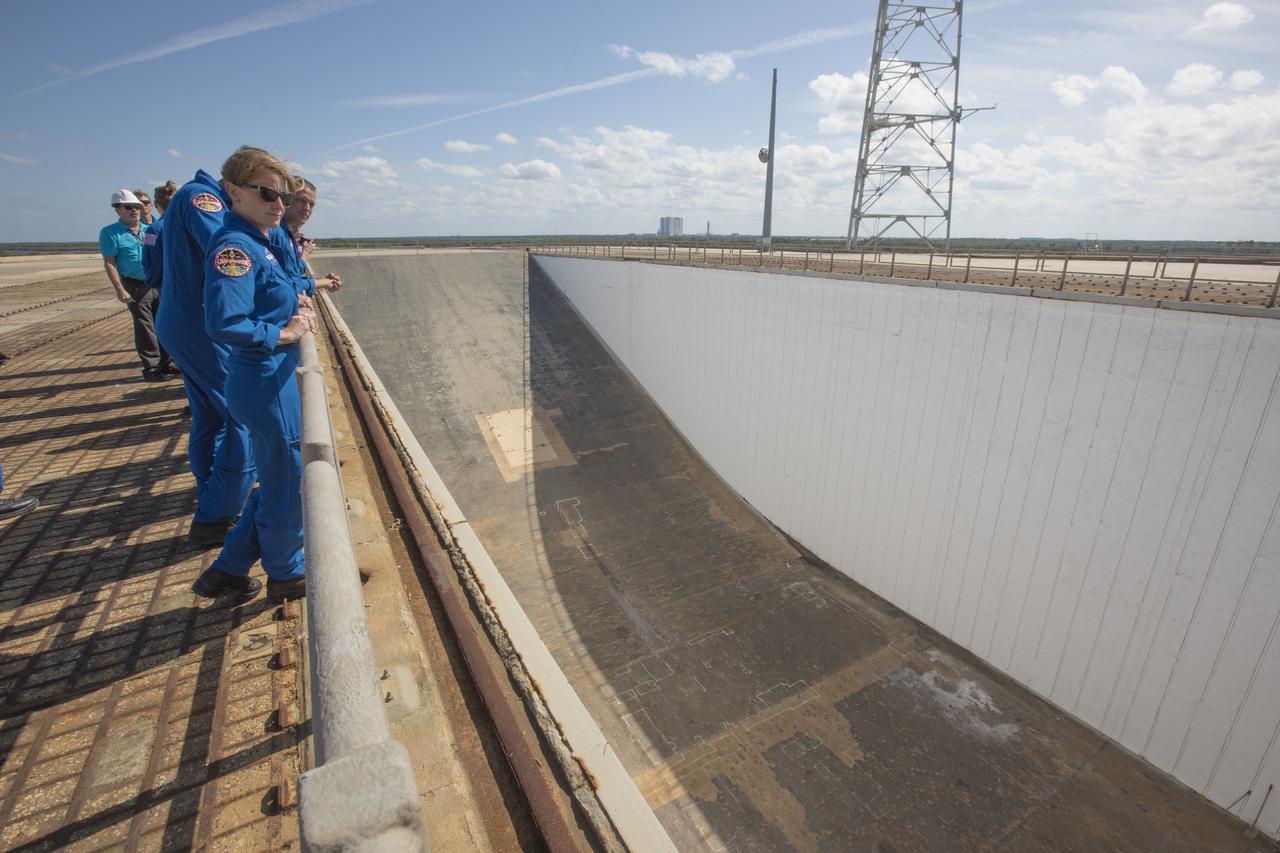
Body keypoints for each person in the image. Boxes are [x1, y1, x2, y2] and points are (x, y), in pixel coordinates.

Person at [192, 147, 315, 603]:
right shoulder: (235, 248)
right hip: (264, 381)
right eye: (266, 192)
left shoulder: (257, 243)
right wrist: (284, 332)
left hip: (269, 381)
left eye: (282, 195)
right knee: (289, 477)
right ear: (233, 191)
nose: (279, 204)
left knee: (276, 474)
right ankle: (287, 572)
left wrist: (294, 302)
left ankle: (228, 567)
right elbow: (224, 322)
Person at [158, 165, 256, 547]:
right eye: (265, 193)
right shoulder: (205, 199)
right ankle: (218, 514)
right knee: (243, 415)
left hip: (185, 319)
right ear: (236, 186)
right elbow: (228, 249)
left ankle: (211, 492)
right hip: (201, 322)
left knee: (209, 416)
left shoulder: (192, 195)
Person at [99, 189, 175, 381]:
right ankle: (151, 368)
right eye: (129, 207)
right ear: (118, 210)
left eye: (137, 207)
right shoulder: (110, 233)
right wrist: (120, 290)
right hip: (135, 285)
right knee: (145, 327)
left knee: (164, 323)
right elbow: (110, 263)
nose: (135, 211)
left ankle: (168, 363)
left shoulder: (148, 229)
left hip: (157, 282)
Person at [280, 176, 342, 293]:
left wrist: (322, 280)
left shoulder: (286, 234)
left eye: (311, 204)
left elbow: (290, 277)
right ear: (286, 198)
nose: (307, 208)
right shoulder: (275, 234)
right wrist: (323, 282)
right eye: (302, 200)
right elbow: (288, 283)